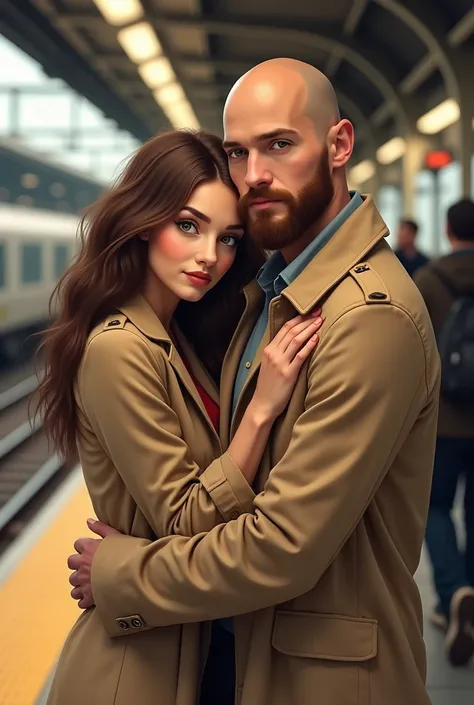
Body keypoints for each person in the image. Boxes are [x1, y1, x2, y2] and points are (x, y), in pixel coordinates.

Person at [69, 59, 441, 705]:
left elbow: (282, 547)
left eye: (279, 144)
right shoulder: (271, 299)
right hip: (238, 656)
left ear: (339, 144)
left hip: (319, 677)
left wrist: (122, 575)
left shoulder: (366, 317)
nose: (254, 175)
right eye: (238, 152)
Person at [36, 129, 323, 705]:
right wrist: (261, 409)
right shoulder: (120, 348)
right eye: (188, 226)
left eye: (229, 239)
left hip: (185, 647)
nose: (209, 257)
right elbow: (188, 516)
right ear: (143, 221)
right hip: (135, 669)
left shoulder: (178, 338)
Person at [414, 198, 474, 666]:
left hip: (443, 422)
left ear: (450, 231)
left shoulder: (429, 280)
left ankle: (453, 591)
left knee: (434, 507)